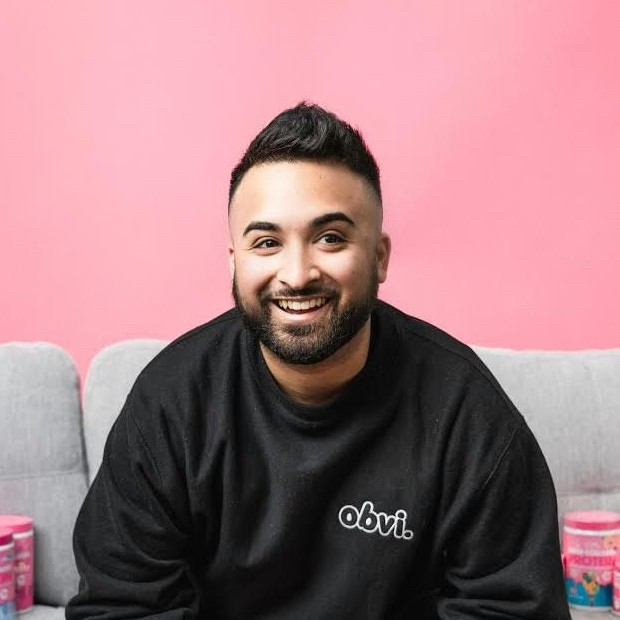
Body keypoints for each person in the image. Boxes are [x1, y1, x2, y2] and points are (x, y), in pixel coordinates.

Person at [67, 102, 570, 619]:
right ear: (235, 262)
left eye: (330, 238)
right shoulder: (171, 406)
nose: (297, 274)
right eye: (267, 243)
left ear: (379, 257)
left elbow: (513, 609)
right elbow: (121, 606)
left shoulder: (467, 414)